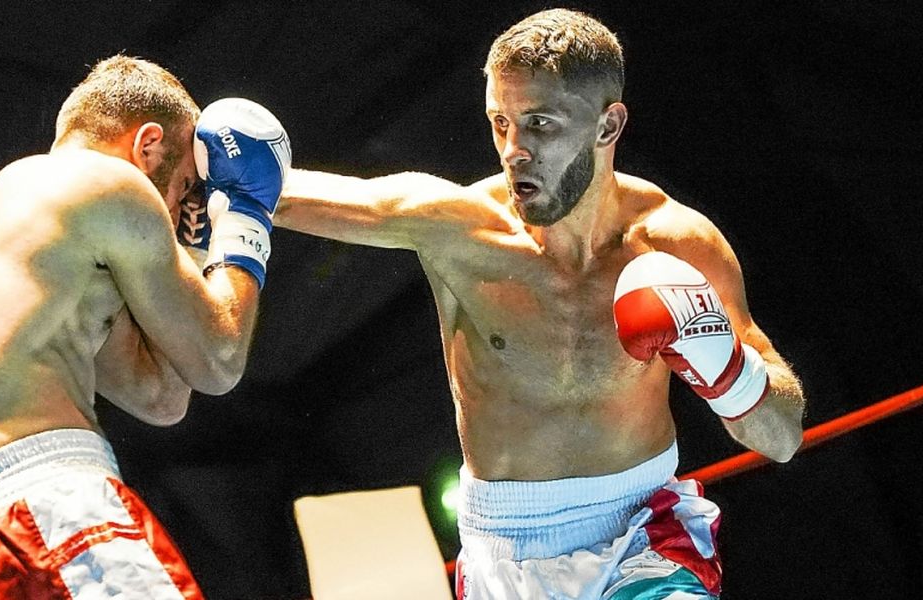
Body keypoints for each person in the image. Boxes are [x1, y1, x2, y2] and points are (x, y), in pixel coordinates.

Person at [276, 8, 804, 599]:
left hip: (643, 537)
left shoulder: (677, 244)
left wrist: (730, 371)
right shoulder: (457, 229)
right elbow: (275, 191)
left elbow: (780, 438)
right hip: (500, 551)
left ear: (608, 126)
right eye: (499, 121)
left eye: (541, 124)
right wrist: (189, 170)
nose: (514, 149)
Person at [0, 55, 290, 599]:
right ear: (147, 146)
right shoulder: (108, 182)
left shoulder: (35, 239)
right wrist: (245, 219)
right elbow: (219, 362)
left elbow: (162, 398)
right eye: (183, 187)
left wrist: (197, 250)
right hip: (47, 502)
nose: (179, 210)